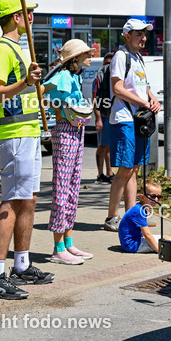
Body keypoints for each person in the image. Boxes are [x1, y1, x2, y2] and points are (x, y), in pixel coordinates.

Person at [0, 0, 55, 300]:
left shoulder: (18, 49)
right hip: (14, 135)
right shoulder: (1, 48)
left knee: (29, 200)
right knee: (12, 200)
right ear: (15, 17)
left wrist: (43, 86)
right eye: (28, 12)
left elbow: (24, 91)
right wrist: (25, 82)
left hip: (29, 132)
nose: (32, 17)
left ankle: (21, 265)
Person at [105, 19, 161, 232]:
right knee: (125, 169)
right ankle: (112, 217)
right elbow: (117, 88)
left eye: (144, 34)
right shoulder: (121, 56)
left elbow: (142, 86)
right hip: (124, 118)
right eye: (139, 34)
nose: (143, 38)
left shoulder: (138, 57)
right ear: (127, 36)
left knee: (134, 168)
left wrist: (152, 99)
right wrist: (144, 103)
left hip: (137, 119)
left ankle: (131, 217)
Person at [44, 39, 95, 265]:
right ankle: (58, 248)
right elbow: (41, 93)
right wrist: (60, 108)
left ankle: (68, 242)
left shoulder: (74, 76)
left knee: (73, 188)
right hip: (65, 131)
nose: (90, 55)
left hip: (77, 130)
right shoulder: (63, 75)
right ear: (75, 57)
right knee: (62, 189)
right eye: (86, 53)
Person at [117, 181, 162, 253]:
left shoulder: (140, 208)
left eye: (159, 197)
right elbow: (147, 234)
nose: (156, 199)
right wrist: (159, 250)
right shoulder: (139, 211)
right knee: (166, 242)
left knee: (165, 239)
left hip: (134, 241)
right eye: (153, 196)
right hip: (133, 245)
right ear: (142, 197)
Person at [92, 52, 115, 183]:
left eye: (110, 64)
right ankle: (100, 174)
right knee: (102, 146)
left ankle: (109, 173)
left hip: (112, 115)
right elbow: (95, 100)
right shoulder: (98, 78)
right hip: (103, 116)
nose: (108, 66)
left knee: (109, 146)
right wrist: (99, 119)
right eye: (106, 63)